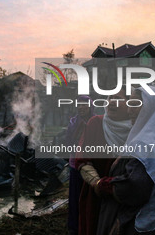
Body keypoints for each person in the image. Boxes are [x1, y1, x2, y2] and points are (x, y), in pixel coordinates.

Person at [95, 86, 155, 235]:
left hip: (147, 223)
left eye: (136, 104)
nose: (130, 110)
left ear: (151, 108)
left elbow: (136, 188)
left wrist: (104, 185)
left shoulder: (144, 144)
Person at [75, 87, 132, 235]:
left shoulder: (137, 129)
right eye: (110, 97)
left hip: (124, 195)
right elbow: (82, 158)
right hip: (96, 194)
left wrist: (117, 188)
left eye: (119, 99)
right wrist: (97, 183)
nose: (112, 102)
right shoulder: (96, 123)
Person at [66, 95, 95, 235]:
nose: (81, 107)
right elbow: (68, 141)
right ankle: (74, 226)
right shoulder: (73, 122)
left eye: (84, 105)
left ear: (90, 106)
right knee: (74, 196)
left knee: (88, 196)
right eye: (79, 105)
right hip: (74, 164)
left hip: (90, 164)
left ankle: (88, 224)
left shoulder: (95, 121)